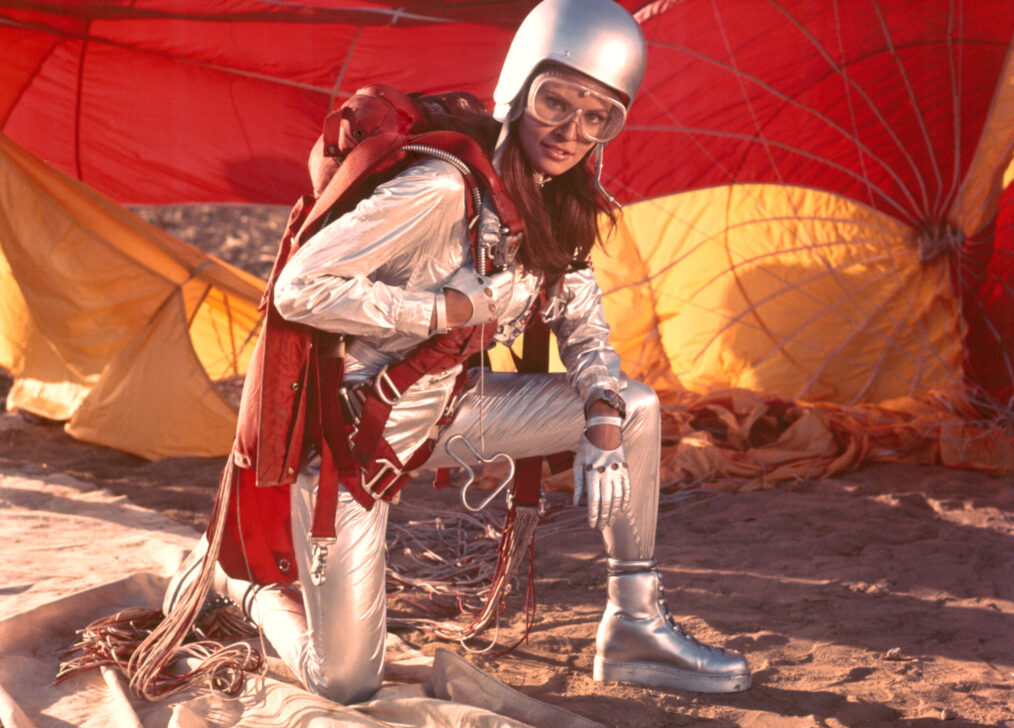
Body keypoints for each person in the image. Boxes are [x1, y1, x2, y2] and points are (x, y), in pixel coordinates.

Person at [165, 0, 750, 703]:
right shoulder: (440, 188)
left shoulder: (560, 203)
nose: (571, 131)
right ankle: (239, 585)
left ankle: (634, 621)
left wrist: (600, 420)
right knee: (344, 681)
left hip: (446, 412)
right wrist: (444, 309)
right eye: (556, 100)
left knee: (636, 407)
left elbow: (587, 331)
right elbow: (299, 289)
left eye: (598, 116)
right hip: (351, 448)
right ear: (519, 88)